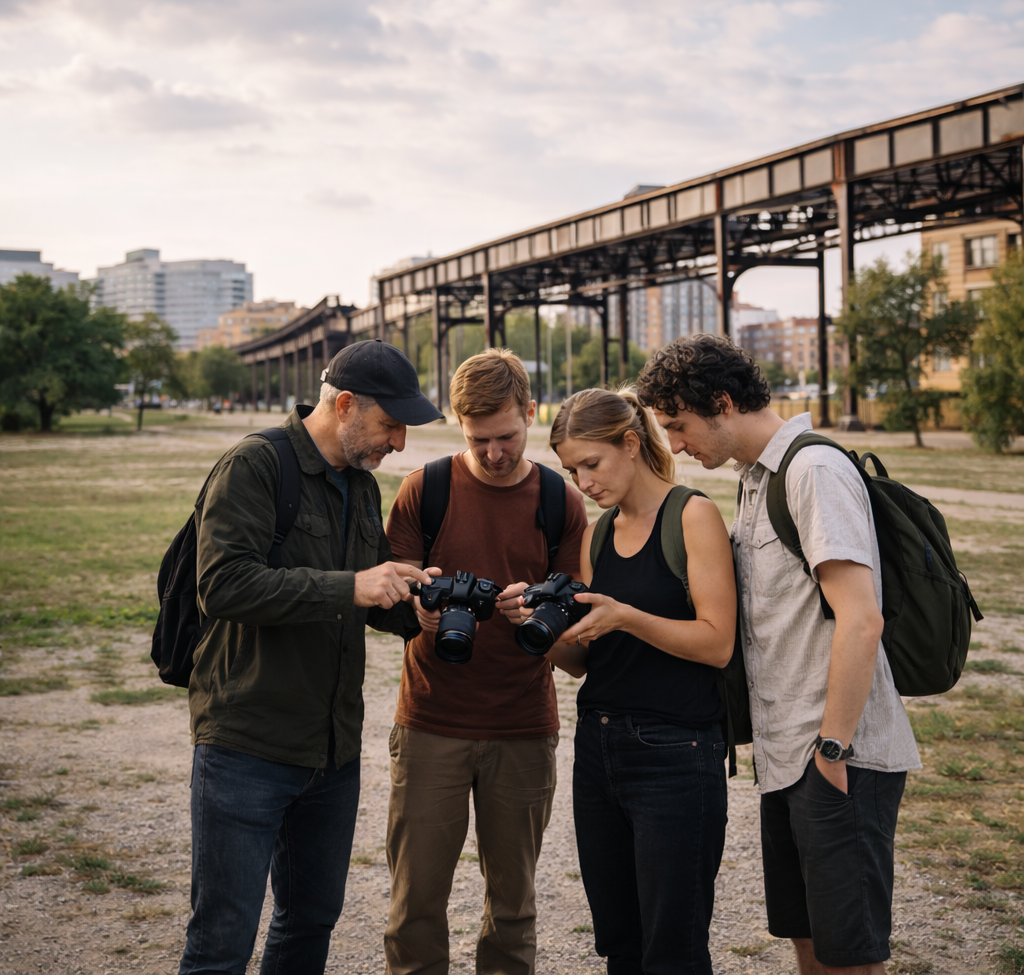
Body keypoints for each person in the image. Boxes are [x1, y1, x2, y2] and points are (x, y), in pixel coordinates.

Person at [636, 333, 921, 975]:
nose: (676, 444)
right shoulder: (755, 478)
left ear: (723, 402)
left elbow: (861, 617)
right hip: (790, 755)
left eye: (680, 426)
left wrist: (833, 751)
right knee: (810, 940)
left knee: (851, 955)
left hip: (837, 755)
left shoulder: (812, 471)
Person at [180, 339, 443, 975]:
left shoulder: (361, 484)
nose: (400, 444)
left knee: (309, 925)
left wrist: (412, 601)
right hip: (248, 743)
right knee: (223, 938)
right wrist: (350, 585)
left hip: (331, 751)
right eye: (391, 425)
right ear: (345, 405)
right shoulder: (256, 464)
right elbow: (222, 584)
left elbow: (365, 593)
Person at [383, 348, 589, 975]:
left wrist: (539, 627)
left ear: (531, 412)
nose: (495, 453)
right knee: (415, 904)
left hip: (523, 727)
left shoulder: (561, 501)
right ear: (456, 423)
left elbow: (580, 654)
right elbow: (391, 601)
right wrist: (418, 613)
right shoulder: (427, 488)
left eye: (506, 436)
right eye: (478, 440)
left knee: (514, 908)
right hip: (430, 723)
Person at [544, 388, 735, 975]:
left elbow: (718, 643)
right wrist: (542, 633)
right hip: (598, 750)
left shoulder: (692, 514)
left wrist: (627, 615)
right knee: (620, 944)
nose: (583, 482)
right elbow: (588, 662)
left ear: (630, 444)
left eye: (591, 464)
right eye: (571, 470)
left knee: (672, 950)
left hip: (676, 755)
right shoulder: (596, 535)